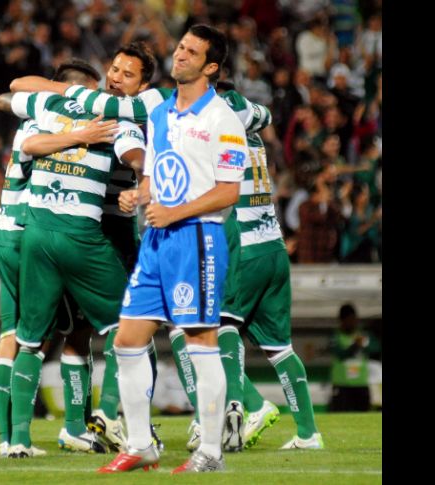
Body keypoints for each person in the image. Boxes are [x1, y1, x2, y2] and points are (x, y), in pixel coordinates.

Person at [98, 25, 245, 474]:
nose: (179, 55)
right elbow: (157, 173)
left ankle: (211, 454)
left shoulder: (222, 119)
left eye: (191, 52)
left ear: (212, 67)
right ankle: (142, 445)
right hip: (158, 239)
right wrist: (140, 195)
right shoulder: (161, 112)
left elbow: (229, 192)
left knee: (201, 340)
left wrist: (175, 212)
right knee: (127, 340)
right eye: (181, 47)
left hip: (196, 239)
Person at [0, 66, 146, 460]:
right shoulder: (118, 117)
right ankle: (108, 411)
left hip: (35, 234)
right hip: (81, 235)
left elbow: (10, 99)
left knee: (29, 340)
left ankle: (18, 440)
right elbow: (135, 154)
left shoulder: (45, 104)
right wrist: (142, 174)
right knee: (130, 320)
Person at [183, 80, 323, 453]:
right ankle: (309, 434)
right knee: (280, 348)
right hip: (273, 247)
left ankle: (233, 413)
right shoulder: (254, 135)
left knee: (223, 325)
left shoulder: (220, 126)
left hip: (243, 246)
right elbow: (261, 113)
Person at [329, 303, 379, 411]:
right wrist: (355, 346)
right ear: (341, 320)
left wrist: (364, 346)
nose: (352, 322)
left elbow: (376, 348)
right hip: (342, 385)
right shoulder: (335, 336)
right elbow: (340, 354)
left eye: (353, 319)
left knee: (364, 417)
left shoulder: (364, 335)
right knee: (339, 416)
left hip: (361, 384)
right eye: (348, 319)